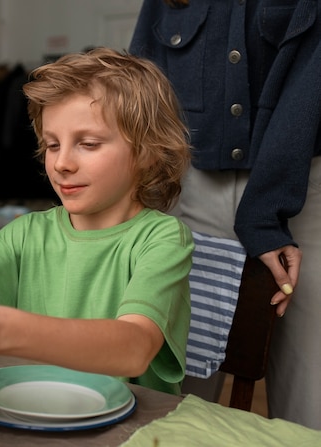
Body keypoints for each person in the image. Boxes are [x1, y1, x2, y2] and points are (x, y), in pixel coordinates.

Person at [0, 48, 195, 395]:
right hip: (27, 416)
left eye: (87, 144)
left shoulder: (161, 239)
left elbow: (134, 349)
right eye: (52, 145)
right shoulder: (23, 235)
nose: (62, 163)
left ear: (147, 152)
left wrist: (1, 329)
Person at [130, 0, 321, 428]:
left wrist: (265, 214)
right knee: (170, 395)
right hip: (188, 186)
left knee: (311, 401)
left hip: (304, 185)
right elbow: (141, 80)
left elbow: (312, 83)